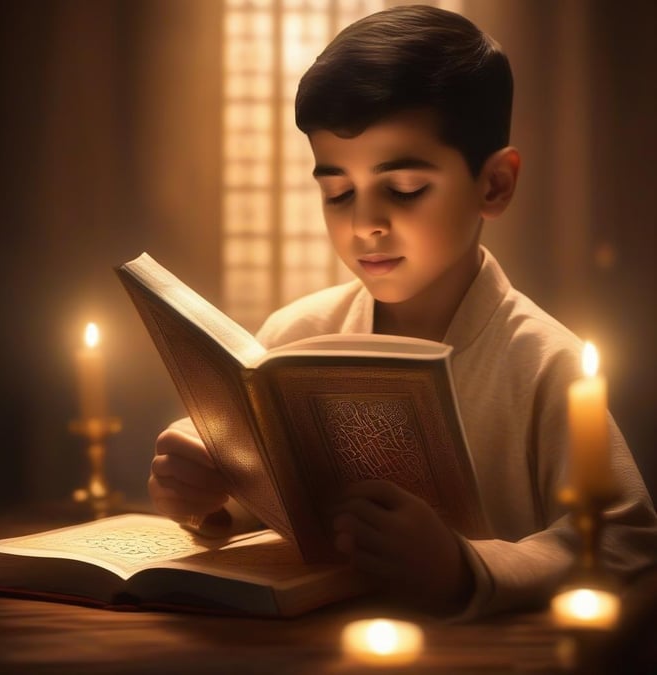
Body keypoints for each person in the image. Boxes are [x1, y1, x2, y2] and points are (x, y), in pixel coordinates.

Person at [148, 5, 657, 618]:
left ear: (494, 184)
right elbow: (270, 508)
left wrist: (464, 566)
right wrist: (210, 491)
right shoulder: (294, 338)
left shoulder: (548, 363)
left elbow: (627, 543)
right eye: (337, 193)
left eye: (405, 189)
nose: (364, 224)